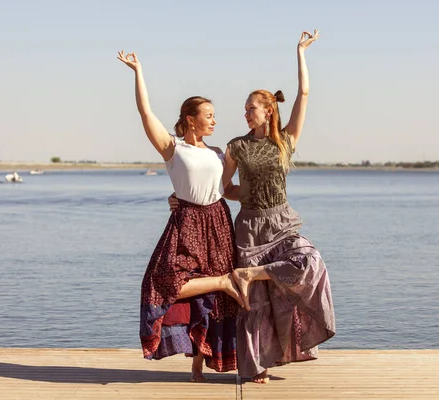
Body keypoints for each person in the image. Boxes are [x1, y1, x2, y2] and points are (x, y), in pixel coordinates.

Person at [169, 29, 335, 384]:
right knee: (253, 303)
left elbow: (304, 93)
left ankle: (251, 276)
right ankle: (256, 365)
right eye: (244, 109)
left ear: (268, 111)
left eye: (251, 108)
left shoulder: (285, 139)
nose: (245, 113)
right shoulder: (235, 147)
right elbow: (219, 187)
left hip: (283, 222)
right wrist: (181, 199)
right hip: (248, 226)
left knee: (309, 261)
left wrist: (300, 51)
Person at [117, 50, 243, 382]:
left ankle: (198, 365)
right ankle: (223, 283)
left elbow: (226, 187)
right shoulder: (173, 148)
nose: (215, 120)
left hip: (217, 221)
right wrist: (138, 70)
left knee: (212, 301)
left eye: (215, 115)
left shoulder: (218, 152)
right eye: (209, 115)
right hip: (186, 222)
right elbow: (146, 112)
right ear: (190, 119)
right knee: (162, 283)